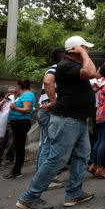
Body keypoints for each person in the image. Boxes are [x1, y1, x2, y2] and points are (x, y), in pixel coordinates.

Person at [17, 36, 96, 209]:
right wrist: (83, 52)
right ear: (76, 49)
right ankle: (30, 197)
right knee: (57, 159)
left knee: (82, 155)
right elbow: (91, 72)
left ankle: (74, 193)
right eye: (85, 47)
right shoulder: (67, 65)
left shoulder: (73, 66)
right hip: (68, 119)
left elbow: (90, 73)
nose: (87, 50)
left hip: (77, 119)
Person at [35, 48, 65, 190]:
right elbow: (48, 82)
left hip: (44, 112)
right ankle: (44, 180)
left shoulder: (54, 68)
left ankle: (41, 176)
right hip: (48, 112)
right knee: (48, 146)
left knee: (44, 145)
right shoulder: (56, 69)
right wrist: (53, 101)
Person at [3, 79, 36, 180]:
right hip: (17, 123)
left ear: (18, 86)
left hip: (21, 123)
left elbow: (26, 109)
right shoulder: (22, 96)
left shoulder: (27, 95)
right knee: (17, 147)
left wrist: (15, 109)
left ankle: (17, 171)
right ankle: (16, 170)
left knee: (19, 147)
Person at [0, 87, 17, 168]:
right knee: (0, 142)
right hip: (3, 123)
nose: (10, 94)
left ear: (16, 93)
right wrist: (4, 101)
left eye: (12, 92)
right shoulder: (5, 101)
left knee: (11, 142)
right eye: (9, 92)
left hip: (13, 122)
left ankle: (9, 159)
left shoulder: (18, 100)